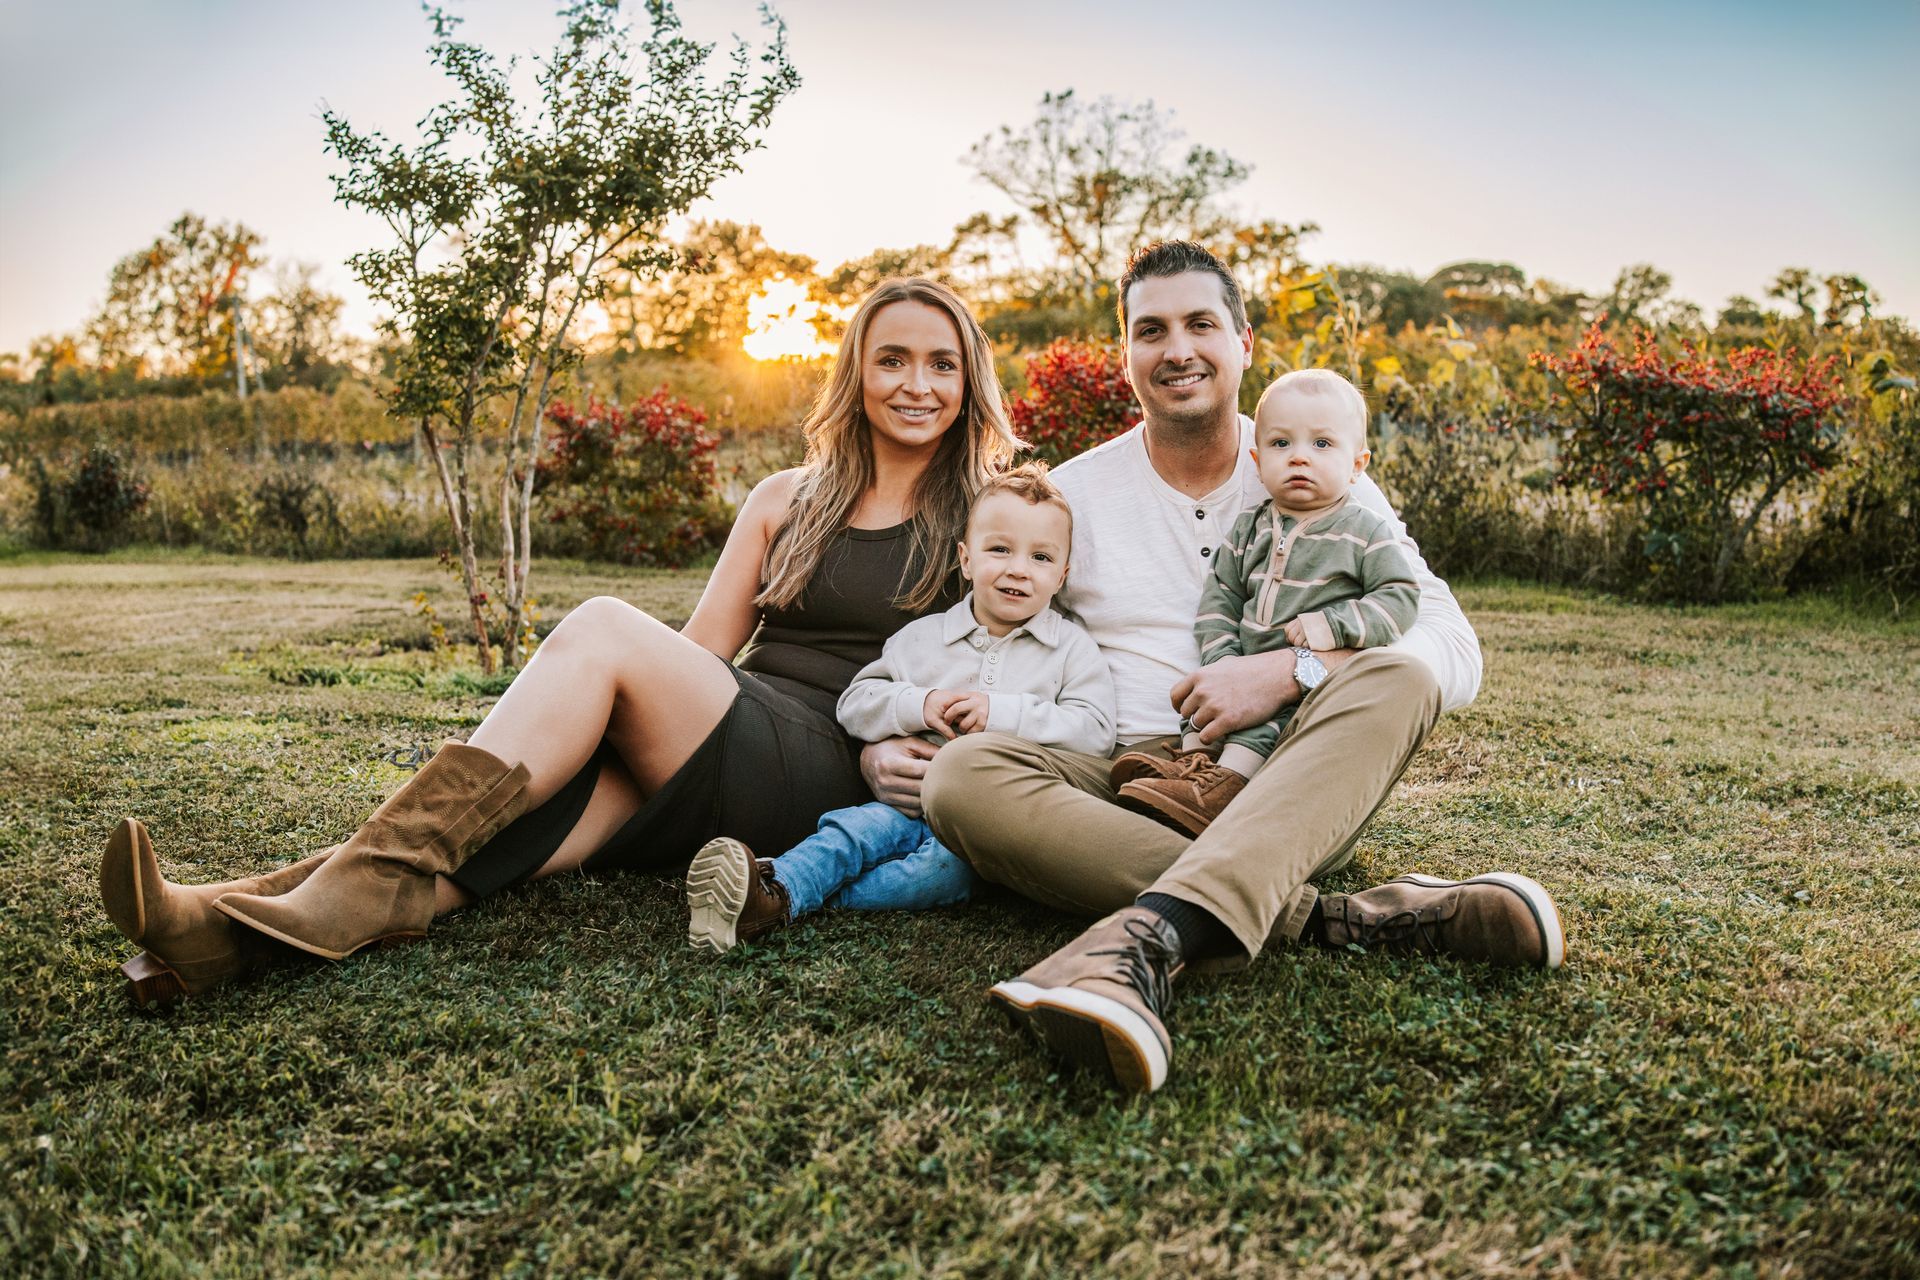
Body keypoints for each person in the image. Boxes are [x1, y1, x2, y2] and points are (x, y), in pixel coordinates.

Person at [98, 277, 1020, 1006]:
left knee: (605, 630)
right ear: (855, 372)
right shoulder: (788, 496)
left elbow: (1024, 655)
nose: (916, 384)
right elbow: (703, 654)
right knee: (526, 827)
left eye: (941, 363)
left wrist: (927, 753)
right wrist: (614, 725)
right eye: (892, 359)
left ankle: (298, 901)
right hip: (741, 731)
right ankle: (217, 930)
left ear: (968, 379)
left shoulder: (990, 512)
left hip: (837, 774)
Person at [901, 241, 1565, 1094]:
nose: (1177, 348)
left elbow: (1453, 645)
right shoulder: (1074, 493)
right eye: (1152, 330)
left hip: (1279, 775)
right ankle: (1336, 920)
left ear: (1244, 342)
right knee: (961, 778)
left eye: (1201, 324)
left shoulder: (1311, 459)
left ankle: (1144, 941)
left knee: (1401, 674)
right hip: (1125, 771)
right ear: (1128, 356)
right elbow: (991, 627)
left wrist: (1292, 670)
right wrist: (898, 727)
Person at [684, 461, 1115, 953]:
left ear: (1062, 575)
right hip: (903, 804)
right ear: (966, 560)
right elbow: (856, 703)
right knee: (849, 835)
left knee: (935, 876)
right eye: (999, 549)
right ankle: (770, 889)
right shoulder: (924, 638)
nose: (1018, 568)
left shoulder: (1070, 650)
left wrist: (1002, 713)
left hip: (981, 828)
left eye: (1041, 557)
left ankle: (798, 898)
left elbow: (1095, 731)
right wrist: (918, 703)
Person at [1111, 366, 1419, 836]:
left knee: (1263, 727)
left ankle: (1220, 791)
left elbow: (1399, 599)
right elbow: (1220, 598)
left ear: (1358, 463)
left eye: (1321, 444)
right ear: (1257, 460)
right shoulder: (1252, 526)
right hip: (1239, 672)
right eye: (1281, 444)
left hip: (1305, 691)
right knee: (1199, 709)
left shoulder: (1363, 531)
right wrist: (1222, 661)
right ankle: (1190, 770)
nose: (1299, 458)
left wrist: (1333, 626)